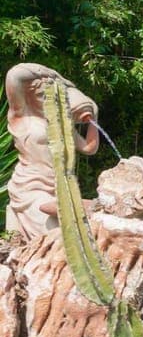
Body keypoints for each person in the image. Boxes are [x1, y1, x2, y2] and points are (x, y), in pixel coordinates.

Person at [4, 64, 100, 239]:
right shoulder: (23, 118)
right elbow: (14, 75)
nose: (47, 100)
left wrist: (94, 116)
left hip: (60, 188)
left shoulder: (62, 125)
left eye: (52, 96)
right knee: (57, 237)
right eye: (41, 95)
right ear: (30, 97)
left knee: (81, 236)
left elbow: (89, 148)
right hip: (31, 189)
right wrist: (54, 75)